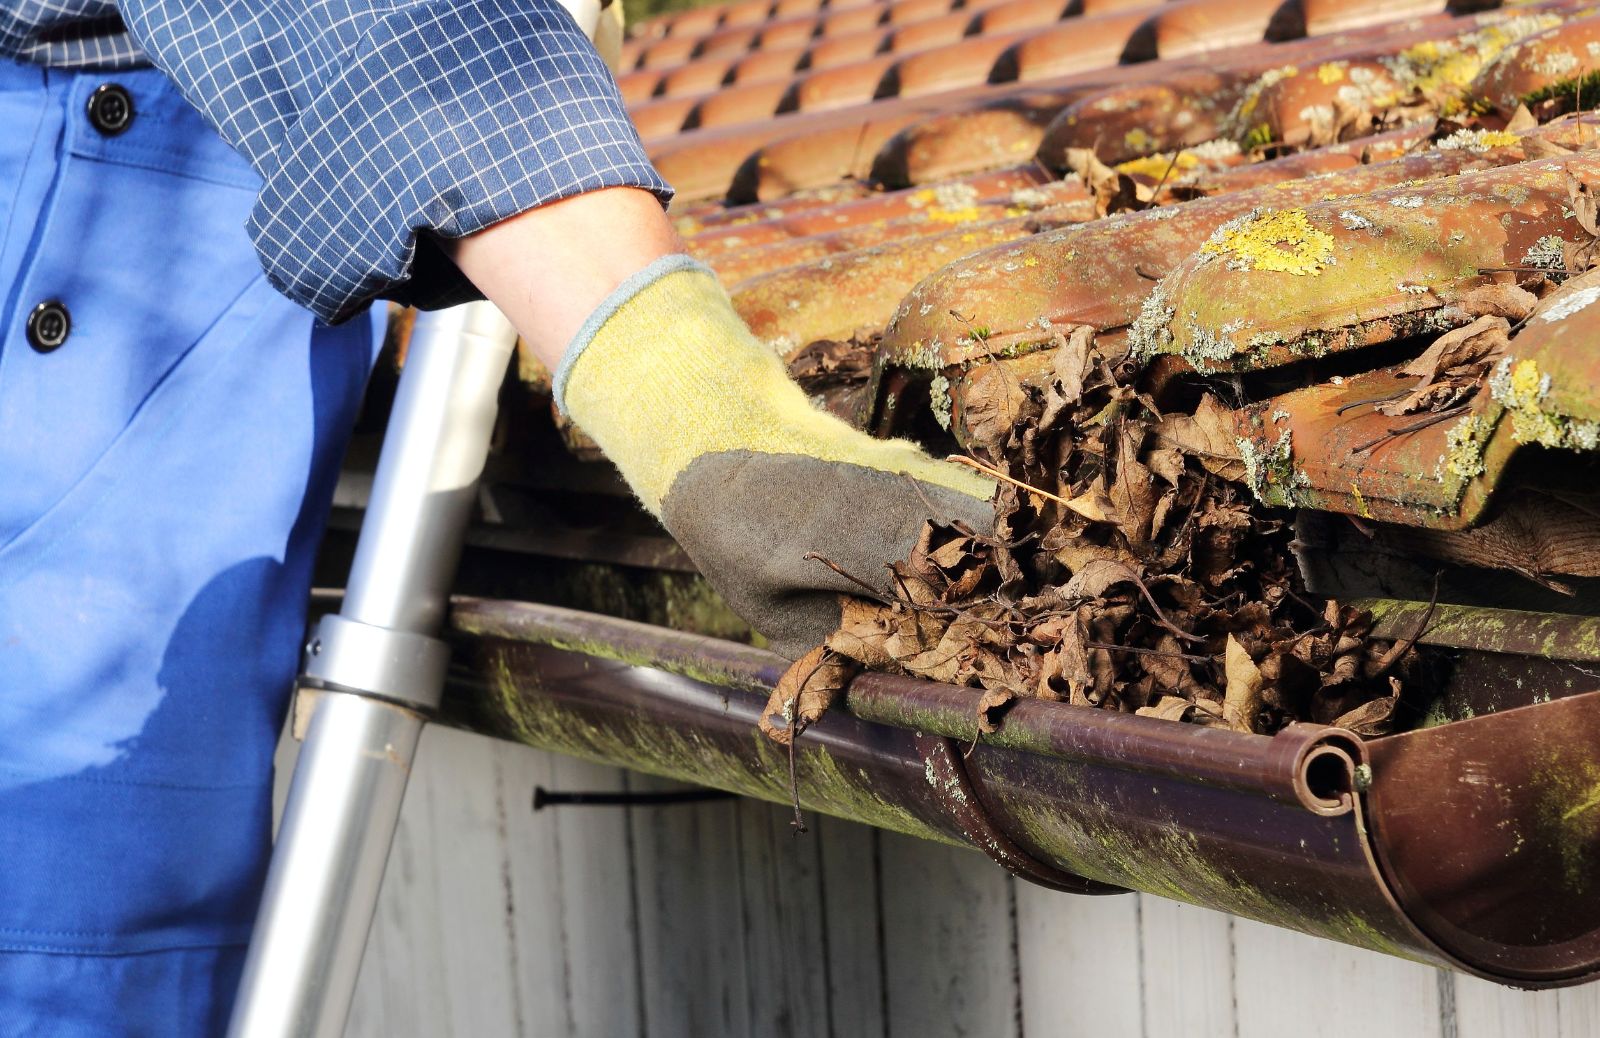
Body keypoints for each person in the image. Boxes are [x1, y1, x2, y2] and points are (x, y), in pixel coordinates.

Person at [0, 0, 993, 1030]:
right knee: (56, 939)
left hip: (191, 197)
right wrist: (689, 397)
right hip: (96, 211)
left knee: (118, 950)